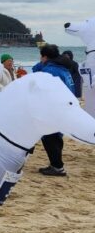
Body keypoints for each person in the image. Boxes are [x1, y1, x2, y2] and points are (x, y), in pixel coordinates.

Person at [32, 44, 76, 176]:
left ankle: (57, 167)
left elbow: (41, 88)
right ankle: (56, 165)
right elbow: (36, 69)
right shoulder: (63, 68)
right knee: (56, 137)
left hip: (53, 108)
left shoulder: (50, 71)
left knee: (49, 137)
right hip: (65, 107)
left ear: (45, 56)